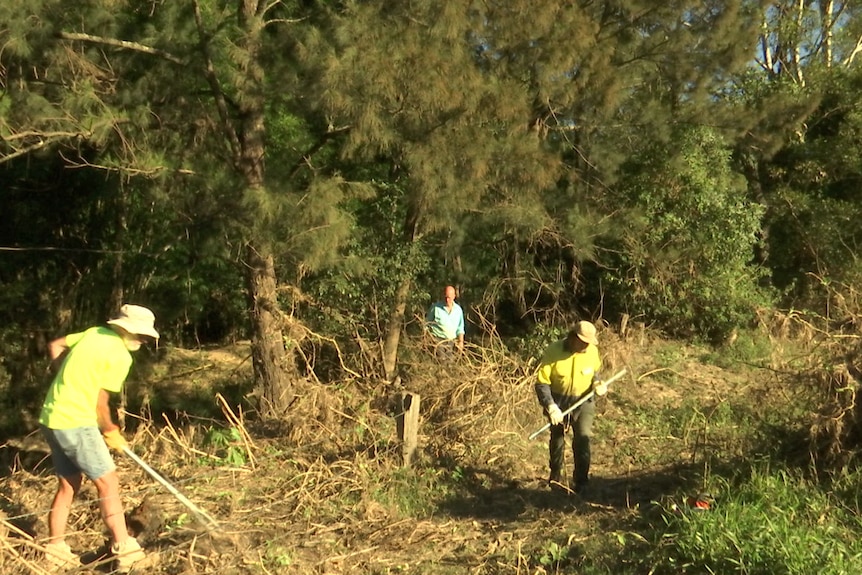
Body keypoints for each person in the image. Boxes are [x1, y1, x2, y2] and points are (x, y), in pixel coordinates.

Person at [39, 304, 159, 572]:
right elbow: (100, 403)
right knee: (108, 483)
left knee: (69, 484)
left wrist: (65, 376)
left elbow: (56, 345)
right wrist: (110, 430)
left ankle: (55, 549)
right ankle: (125, 549)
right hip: (76, 423)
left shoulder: (93, 333)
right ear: (126, 330)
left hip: (51, 418)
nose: (143, 340)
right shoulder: (120, 356)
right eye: (140, 335)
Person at [534, 320, 608, 496]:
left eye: (589, 343)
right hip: (559, 401)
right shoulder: (554, 351)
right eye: (583, 342)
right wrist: (551, 406)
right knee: (557, 438)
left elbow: (595, 373)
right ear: (573, 337)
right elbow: (542, 383)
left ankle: (582, 481)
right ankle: (555, 475)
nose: (586, 346)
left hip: (583, 401)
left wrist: (598, 383)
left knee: (583, 438)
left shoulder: (592, 351)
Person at [425, 285, 465, 359]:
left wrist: (461, 342)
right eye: (445, 297)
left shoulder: (458, 310)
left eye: (449, 297)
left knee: (450, 363)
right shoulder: (435, 307)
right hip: (438, 340)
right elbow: (427, 323)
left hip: (451, 341)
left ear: (454, 296)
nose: (447, 300)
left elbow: (460, 327)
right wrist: (427, 338)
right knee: (441, 361)